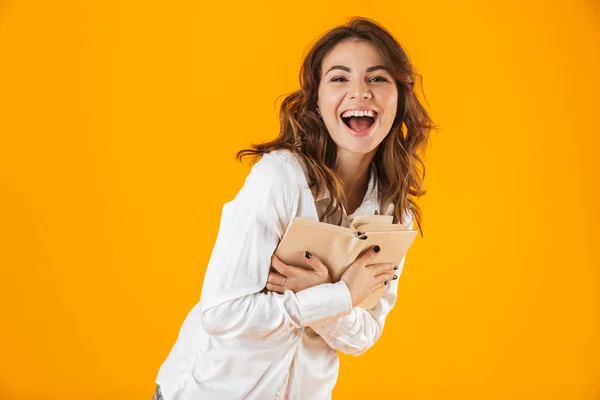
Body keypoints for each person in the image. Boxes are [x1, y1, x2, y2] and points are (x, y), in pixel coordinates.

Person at [153, 16, 434, 400]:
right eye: (339, 78)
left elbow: (364, 335)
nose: (360, 92)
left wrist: (326, 294)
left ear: (398, 97)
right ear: (316, 100)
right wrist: (338, 297)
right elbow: (222, 313)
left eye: (377, 78)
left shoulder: (394, 212)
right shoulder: (279, 180)